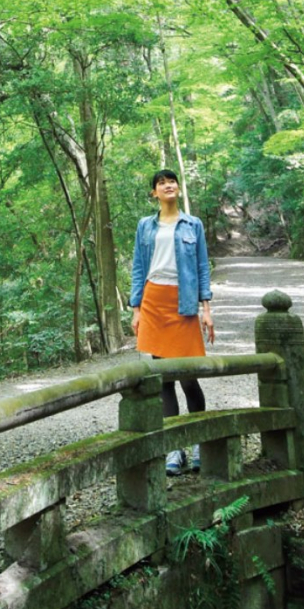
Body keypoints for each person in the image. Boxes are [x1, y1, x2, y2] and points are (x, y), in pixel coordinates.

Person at [130, 168, 215, 477]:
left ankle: (197, 442)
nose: (168, 186)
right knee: (163, 378)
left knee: (188, 376)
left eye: (171, 182)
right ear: (154, 192)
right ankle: (173, 448)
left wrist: (206, 308)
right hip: (153, 302)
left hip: (183, 303)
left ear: (178, 188)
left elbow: (202, 265)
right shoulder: (145, 226)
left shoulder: (193, 224)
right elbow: (139, 266)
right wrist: (136, 308)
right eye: (161, 183)